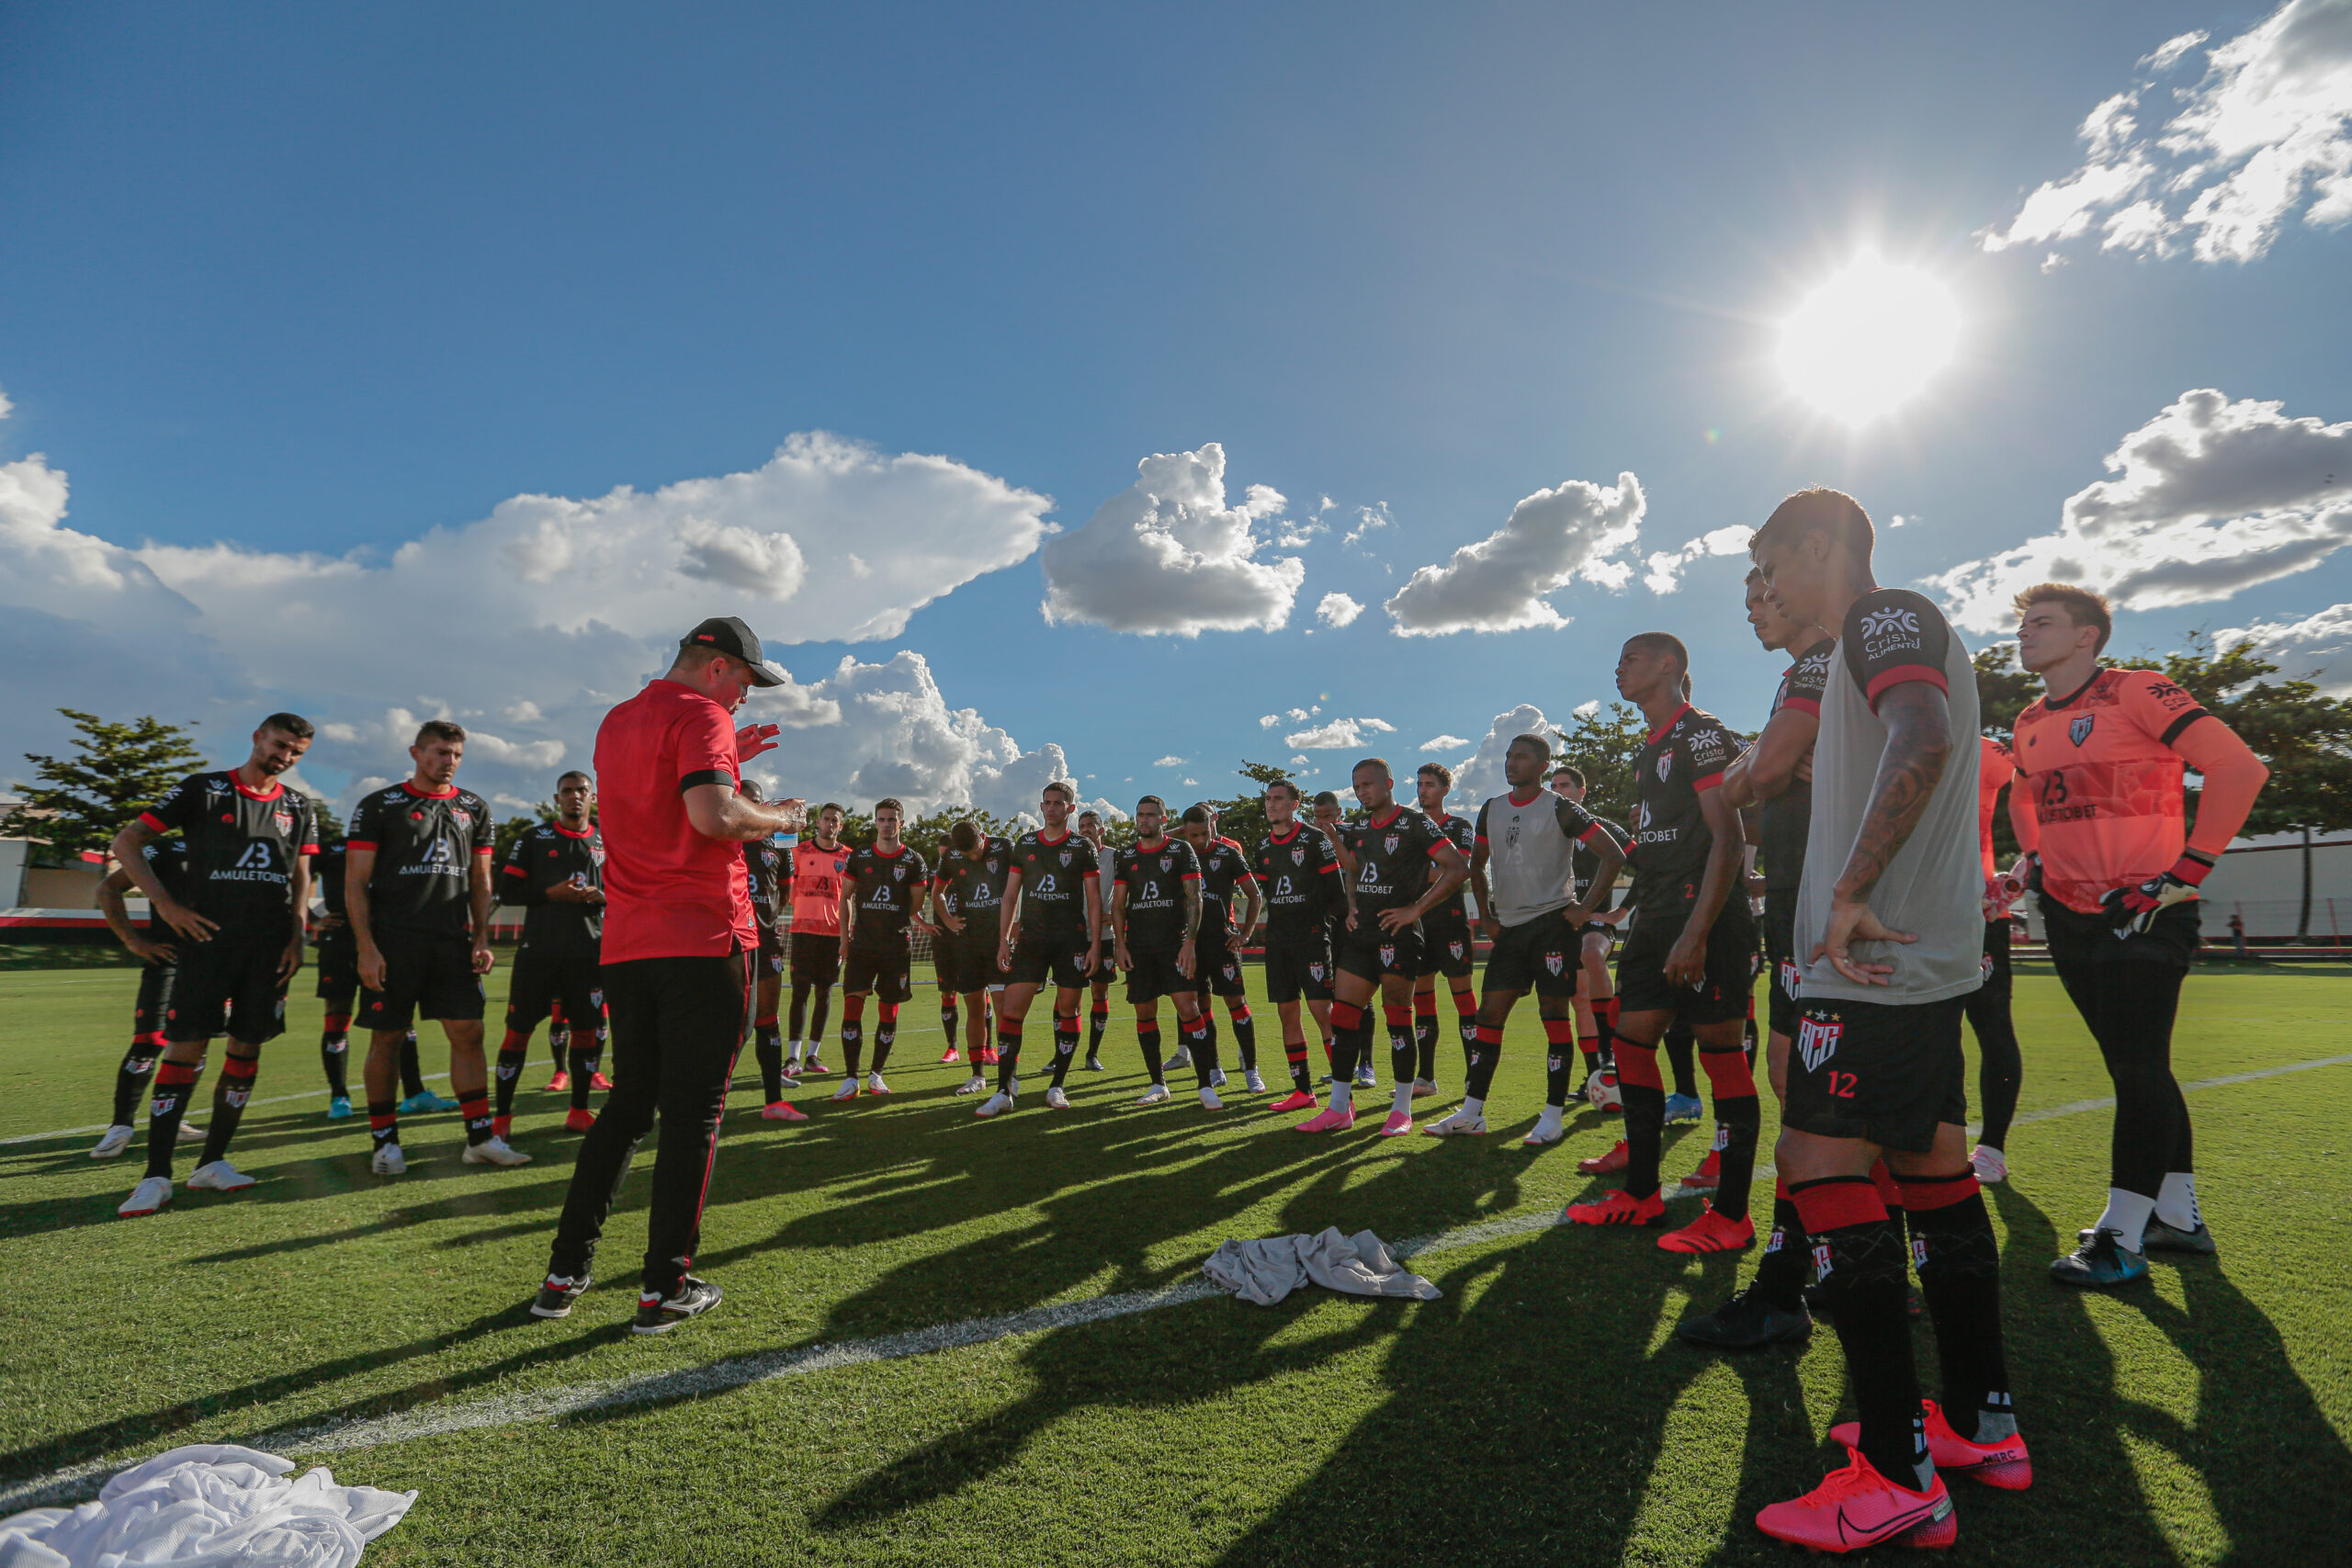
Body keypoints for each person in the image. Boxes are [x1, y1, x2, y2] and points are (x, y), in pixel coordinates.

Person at [1747, 488, 2024, 1551]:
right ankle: (1979, 1426)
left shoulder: (1883, 613)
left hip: (1871, 962)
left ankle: (1898, 1470)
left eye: (1772, 565)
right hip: (1918, 962)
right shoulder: (1875, 639)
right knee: (1932, 1173)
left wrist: (1852, 889)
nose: (1766, 587)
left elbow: (1925, 729)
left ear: (1820, 546)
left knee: (1819, 1167)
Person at [533, 615, 805, 1334]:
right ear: (717, 667)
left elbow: (667, 801)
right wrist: (778, 815)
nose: (744, 698)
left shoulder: (619, 720)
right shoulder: (704, 714)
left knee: (627, 1108)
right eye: (745, 681)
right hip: (704, 937)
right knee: (695, 1116)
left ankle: (564, 1273)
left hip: (628, 943)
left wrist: (727, 757)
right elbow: (713, 815)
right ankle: (664, 1288)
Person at [2007, 583, 2267, 1288]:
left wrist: (2188, 868)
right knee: (2136, 1062)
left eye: (2042, 622)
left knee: (2137, 1065)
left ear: (2087, 635)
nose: (2024, 633)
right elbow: (2025, 792)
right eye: (2022, 622)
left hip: (2144, 904)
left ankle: (2120, 1238)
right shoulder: (2029, 718)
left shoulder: (2138, 690)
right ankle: (2176, 1217)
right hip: (2066, 912)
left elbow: (2241, 767)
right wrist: (2030, 858)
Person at [1675, 569, 1834, 1349]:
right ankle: (1818, 1273)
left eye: (1764, 591)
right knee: (1796, 1089)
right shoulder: (1791, 679)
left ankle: (1794, 1283)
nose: (1750, 610)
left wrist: (1760, 768)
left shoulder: (1825, 660)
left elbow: (1760, 776)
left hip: (1830, 907)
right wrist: (1759, 768)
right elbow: (1759, 773)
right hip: (1800, 906)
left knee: (1819, 1104)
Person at [1564, 637, 1763, 1258]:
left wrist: (1696, 931)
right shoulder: (1648, 746)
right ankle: (1642, 1192)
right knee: (1629, 1043)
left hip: (1705, 915)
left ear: (1670, 665)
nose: (1618, 666)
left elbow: (1727, 839)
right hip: (1654, 915)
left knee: (1719, 1050)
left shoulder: (1702, 735)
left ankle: (1731, 1213)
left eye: (1631, 657)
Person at [109, 714, 319, 1215]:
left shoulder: (298, 806)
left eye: (296, 752)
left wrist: (297, 936)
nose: (285, 757)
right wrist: (166, 905)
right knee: (184, 1050)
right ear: (257, 738)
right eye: (280, 745)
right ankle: (156, 1175)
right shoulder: (203, 790)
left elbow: (301, 875)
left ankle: (213, 1162)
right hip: (207, 944)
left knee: (246, 1050)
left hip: (269, 949)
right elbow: (126, 842)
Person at [1426, 733, 1623, 1140]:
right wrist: (1487, 915)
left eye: (1522, 757)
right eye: (1508, 756)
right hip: (1510, 931)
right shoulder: (1492, 808)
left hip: (1553, 925)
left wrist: (1585, 909)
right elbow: (1475, 865)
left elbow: (1614, 854)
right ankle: (1472, 1113)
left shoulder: (1560, 807)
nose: (1511, 763)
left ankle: (1552, 1117)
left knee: (1554, 1018)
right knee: (1488, 1017)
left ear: (1543, 766)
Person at [347, 721, 521, 1174]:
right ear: (416, 752)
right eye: (441, 752)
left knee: (468, 1033)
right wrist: (366, 947)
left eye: (457, 754)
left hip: (451, 942)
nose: (449, 761)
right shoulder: (380, 805)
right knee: (386, 1038)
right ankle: (385, 1143)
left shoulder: (473, 808)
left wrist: (481, 935)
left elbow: (481, 880)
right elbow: (355, 881)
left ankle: (479, 1138)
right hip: (393, 942)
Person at [1296, 758, 1470, 1135]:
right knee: (1343, 1018)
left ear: (1388, 783)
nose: (1362, 792)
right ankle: (1339, 1108)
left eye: (1368, 785)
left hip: (1400, 935)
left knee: (1397, 1018)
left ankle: (1402, 1109)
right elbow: (1355, 868)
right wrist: (1353, 905)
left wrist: (1415, 909)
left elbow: (1457, 868)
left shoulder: (1415, 822)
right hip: (1363, 936)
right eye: (1357, 786)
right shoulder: (1357, 825)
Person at [978, 782, 1103, 1117]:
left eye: (1058, 803)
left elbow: (1093, 900)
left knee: (1068, 1009)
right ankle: (1004, 1090)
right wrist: (1003, 939)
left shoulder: (1082, 847)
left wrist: (1094, 945)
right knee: (1012, 1011)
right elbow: (1009, 896)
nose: (1051, 808)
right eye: (1046, 803)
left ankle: (1057, 1085)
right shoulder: (1026, 843)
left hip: (1071, 941)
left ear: (1070, 809)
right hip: (1031, 940)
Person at [494, 771, 609, 1136]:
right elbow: (507, 892)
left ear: (593, 797)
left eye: (582, 791)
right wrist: (549, 894)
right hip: (538, 954)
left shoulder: (607, 843)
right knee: (517, 1035)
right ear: (557, 798)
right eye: (567, 791)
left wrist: (602, 896)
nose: (575, 797)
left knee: (587, 1035)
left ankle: (578, 1111)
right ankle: (502, 1120)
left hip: (588, 953)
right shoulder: (535, 838)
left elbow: (623, 892)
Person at [87, 837, 208, 1156]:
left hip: (214, 967)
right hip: (167, 961)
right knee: (149, 1043)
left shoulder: (240, 850)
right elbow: (107, 889)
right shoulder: (166, 849)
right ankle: (121, 1126)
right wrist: (134, 941)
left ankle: (175, 1118)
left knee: (196, 1045)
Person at [314, 836, 443, 1116]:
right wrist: (310, 918)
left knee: (399, 1018)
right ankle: (339, 1097)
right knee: (337, 1015)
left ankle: (414, 1093)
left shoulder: (397, 845)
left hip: (388, 942)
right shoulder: (334, 847)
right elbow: (294, 873)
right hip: (340, 942)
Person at [1110, 797, 1216, 1108]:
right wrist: (1120, 944)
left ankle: (1206, 1084)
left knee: (1189, 1008)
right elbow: (1118, 905)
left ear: (1163, 818)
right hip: (1140, 948)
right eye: (1140, 815)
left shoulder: (1181, 850)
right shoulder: (1126, 856)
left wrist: (1190, 943)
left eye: (1151, 815)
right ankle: (1158, 1084)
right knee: (1144, 1012)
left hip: (1174, 944)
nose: (1144, 820)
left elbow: (1195, 898)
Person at [1246, 778, 1338, 1111]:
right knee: (1288, 1013)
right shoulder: (1262, 848)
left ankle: (1343, 1096)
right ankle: (1303, 1091)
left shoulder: (1315, 840)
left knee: (1321, 1012)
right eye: (1268, 799)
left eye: (1278, 799)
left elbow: (1335, 893)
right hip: (1278, 941)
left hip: (1311, 938)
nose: (1271, 804)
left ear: (1295, 804)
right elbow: (1266, 893)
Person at [831, 797, 933, 1101]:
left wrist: (897, 917)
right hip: (862, 945)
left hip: (895, 946)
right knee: (852, 1005)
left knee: (888, 1009)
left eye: (892, 819)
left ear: (901, 823)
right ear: (875, 822)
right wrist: (844, 939)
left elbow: (917, 904)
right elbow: (845, 897)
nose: (887, 824)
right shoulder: (859, 857)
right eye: (882, 819)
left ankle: (876, 1073)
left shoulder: (914, 861)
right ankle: (851, 1078)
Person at [1550, 765, 1628, 1102]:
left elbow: (1648, 866)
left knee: (1592, 954)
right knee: (1576, 1000)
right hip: (1553, 925)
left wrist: (1619, 913)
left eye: (1564, 785)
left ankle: (1610, 1052)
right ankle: (1595, 1074)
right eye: (1552, 786)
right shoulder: (1545, 833)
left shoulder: (1605, 830)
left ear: (1582, 792)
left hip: (1595, 923)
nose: (1557, 791)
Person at [1966, 739, 2024, 1185]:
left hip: (1978, 915)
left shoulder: (1988, 750)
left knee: (1992, 1028)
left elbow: (2047, 790)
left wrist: (2017, 876)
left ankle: (1992, 1147)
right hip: (1907, 913)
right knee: (1921, 1032)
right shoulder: (1886, 737)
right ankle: (1925, 1133)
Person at [1178, 805, 1263, 1091]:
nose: (1199, 840)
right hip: (1190, 945)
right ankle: (1214, 1066)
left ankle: (1251, 1069)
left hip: (1222, 942)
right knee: (1200, 1007)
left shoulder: (1227, 853)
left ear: (1211, 827)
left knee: (1236, 1003)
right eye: (1192, 835)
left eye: (1204, 833)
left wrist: (1246, 933)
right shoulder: (1176, 854)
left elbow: (1254, 895)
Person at [1410, 763, 1480, 1099]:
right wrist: (1434, 870)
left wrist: (1418, 872)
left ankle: (1473, 1076)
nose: (1423, 790)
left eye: (1430, 784)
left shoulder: (1458, 826)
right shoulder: (1409, 826)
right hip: (1418, 925)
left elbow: (1459, 869)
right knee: (1422, 1003)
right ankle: (1425, 1077)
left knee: (1464, 1001)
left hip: (1450, 922)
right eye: (1420, 784)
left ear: (1445, 789)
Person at [933, 818, 1015, 1095]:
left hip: (997, 942)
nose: (973, 857)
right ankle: (977, 1075)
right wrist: (947, 920)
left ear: (983, 835)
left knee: (1004, 1010)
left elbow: (1020, 886)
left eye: (976, 850)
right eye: (967, 854)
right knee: (974, 1010)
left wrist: (1015, 925)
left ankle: (1009, 1076)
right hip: (968, 944)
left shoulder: (1005, 848)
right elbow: (937, 892)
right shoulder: (952, 856)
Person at [734, 778, 799, 1121]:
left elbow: (785, 892)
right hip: (730, 937)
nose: (752, 805)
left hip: (767, 938)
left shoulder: (779, 842)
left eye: (757, 801)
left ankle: (773, 1099)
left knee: (767, 1018)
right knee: (725, 1020)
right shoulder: (725, 834)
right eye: (745, 800)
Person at [785, 804, 852, 1077]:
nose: (829, 824)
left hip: (833, 935)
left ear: (840, 826)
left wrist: (847, 935)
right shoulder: (799, 851)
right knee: (799, 992)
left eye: (834, 820)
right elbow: (787, 888)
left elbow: (849, 899)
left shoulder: (849, 857)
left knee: (824, 993)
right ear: (818, 822)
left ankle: (813, 1055)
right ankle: (792, 1058)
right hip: (802, 932)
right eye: (825, 819)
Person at [1310, 789, 1371, 1089]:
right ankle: (1343, 1065)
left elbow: (1355, 868)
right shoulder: (1306, 842)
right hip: (1325, 926)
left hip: (1354, 922)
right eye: (1317, 817)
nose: (1322, 823)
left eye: (1328, 817)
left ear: (1339, 816)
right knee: (1334, 997)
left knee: (1361, 994)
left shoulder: (1353, 835)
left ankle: (1367, 1065)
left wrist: (1333, 839)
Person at [1077, 807, 1120, 1070]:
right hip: (1074, 935)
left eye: (1090, 825)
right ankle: (1062, 1052)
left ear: (1101, 830)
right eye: (1081, 826)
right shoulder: (1070, 855)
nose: (1085, 830)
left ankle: (1092, 1053)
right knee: (1068, 994)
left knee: (1099, 991)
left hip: (1104, 936)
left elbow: (1131, 890)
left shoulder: (1115, 857)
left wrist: (1116, 916)